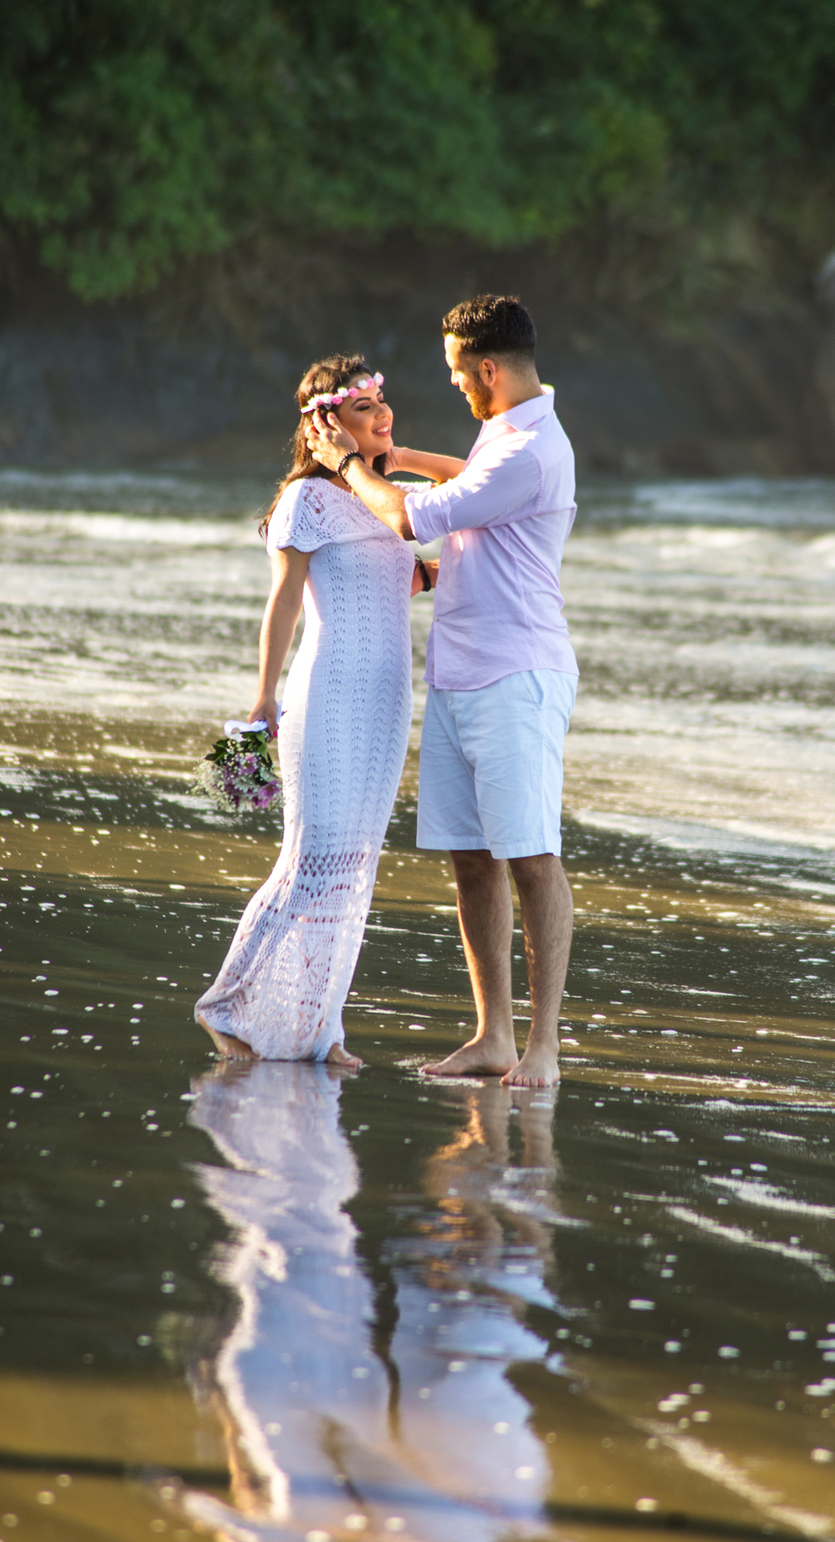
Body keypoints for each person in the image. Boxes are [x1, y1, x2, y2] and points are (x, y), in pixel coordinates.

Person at [307, 295, 578, 1087]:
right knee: (473, 861)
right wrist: (402, 455)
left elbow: (410, 520)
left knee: (532, 858)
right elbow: (464, 482)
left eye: (459, 372)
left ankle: (543, 1047)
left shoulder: (530, 448)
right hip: (459, 673)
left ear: (488, 369)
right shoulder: (503, 433)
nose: (454, 384)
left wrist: (351, 465)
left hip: (516, 675)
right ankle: (493, 1036)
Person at [195, 354, 431, 1065]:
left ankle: (318, 1028)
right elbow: (286, 602)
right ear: (325, 425)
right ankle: (227, 1005)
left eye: (382, 402)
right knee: (311, 856)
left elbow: (465, 497)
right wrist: (263, 694)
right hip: (326, 692)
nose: (382, 413)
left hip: (388, 697)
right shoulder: (307, 498)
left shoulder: (390, 498)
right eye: (364, 407)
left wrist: (396, 461)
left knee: (354, 862)